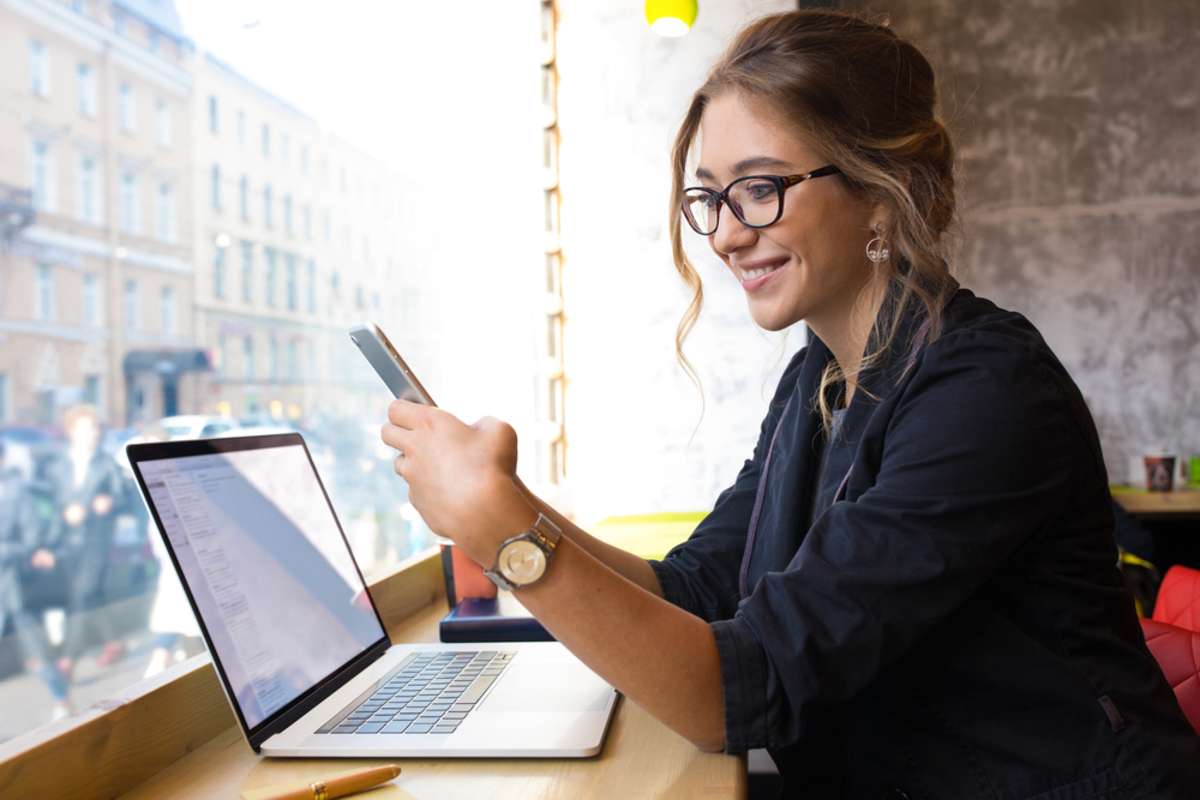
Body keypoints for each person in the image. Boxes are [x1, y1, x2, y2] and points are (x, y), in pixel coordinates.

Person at [379, 10, 1200, 798]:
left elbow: (735, 694)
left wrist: (505, 532)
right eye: (709, 198)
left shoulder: (987, 393)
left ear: (884, 190)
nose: (728, 235)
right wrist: (507, 512)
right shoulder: (818, 378)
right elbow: (698, 590)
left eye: (760, 189)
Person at [47, 405, 126, 679]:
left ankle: (68, 658)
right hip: (68, 541)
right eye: (84, 428)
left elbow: (122, 497)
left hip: (96, 540)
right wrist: (64, 511)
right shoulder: (58, 464)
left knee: (82, 594)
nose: (90, 434)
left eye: (94, 428)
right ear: (71, 432)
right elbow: (51, 501)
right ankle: (113, 642)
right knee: (90, 595)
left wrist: (107, 503)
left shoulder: (106, 463)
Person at [0, 439, 72, 718]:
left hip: (12, 588)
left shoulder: (18, 495)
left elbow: (31, 542)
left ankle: (62, 699)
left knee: (35, 649)